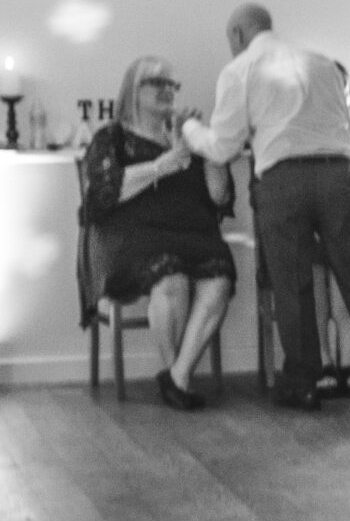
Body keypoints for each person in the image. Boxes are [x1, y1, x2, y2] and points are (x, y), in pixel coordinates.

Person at [181, 5, 350, 410]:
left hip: (284, 181)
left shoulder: (241, 70)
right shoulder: (323, 64)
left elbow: (222, 146)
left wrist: (190, 130)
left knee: (292, 283)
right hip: (339, 175)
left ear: (238, 35)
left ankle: (303, 382)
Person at [79, 56, 237, 410]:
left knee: (220, 277)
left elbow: (218, 196)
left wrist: (210, 151)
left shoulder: (187, 136)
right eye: (158, 83)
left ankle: (177, 378)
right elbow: (104, 192)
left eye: (172, 84)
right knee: (171, 277)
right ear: (134, 90)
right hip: (133, 236)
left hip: (193, 233)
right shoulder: (113, 136)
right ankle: (175, 374)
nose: (169, 90)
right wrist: (160, 166)